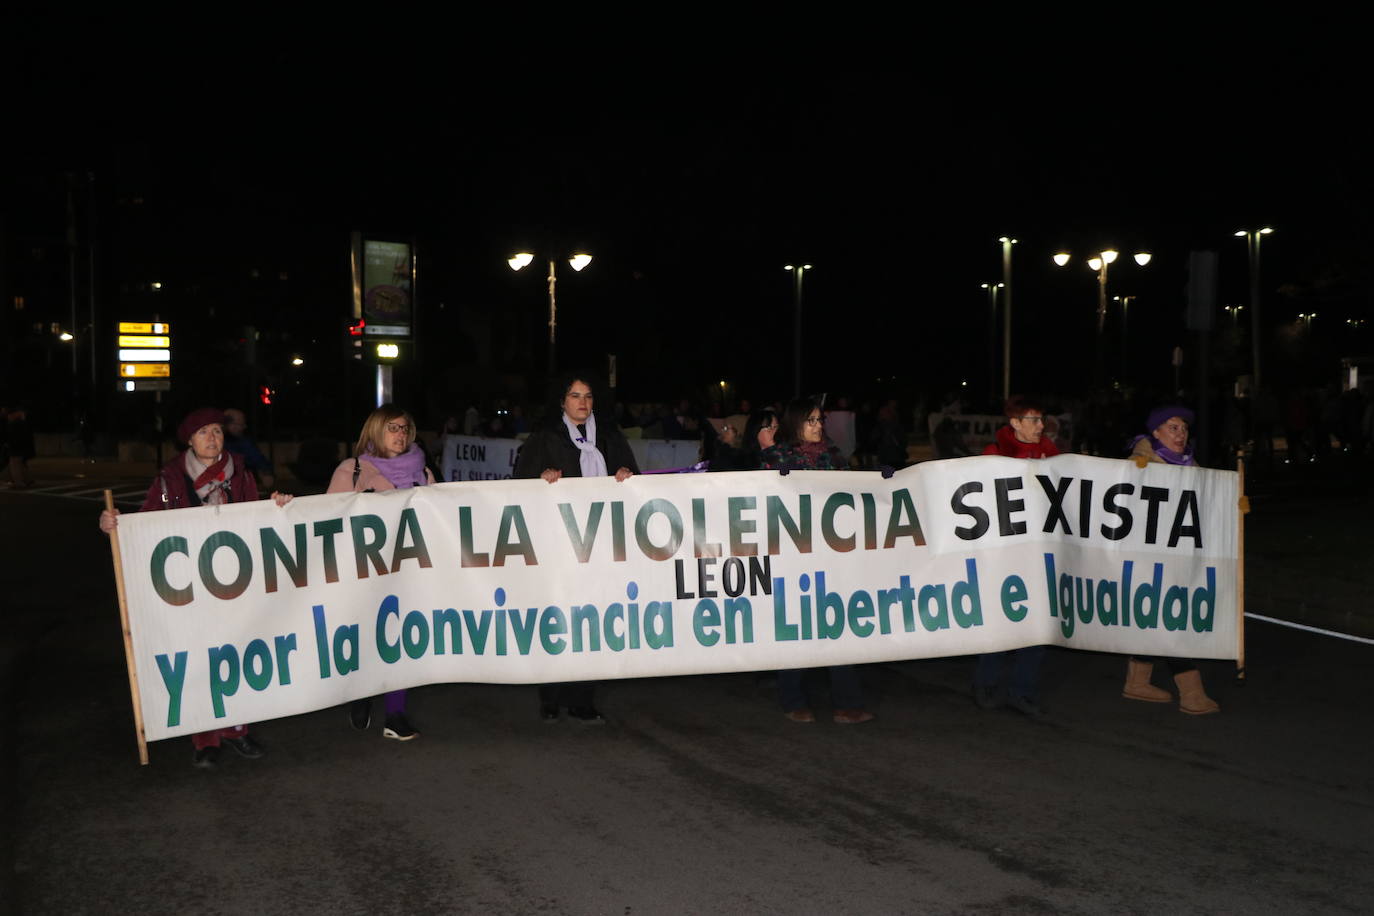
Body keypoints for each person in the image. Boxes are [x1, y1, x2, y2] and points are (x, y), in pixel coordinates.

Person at [99, 408, 293, 768]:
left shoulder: (241, 473)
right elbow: (145, 519)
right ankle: (205, 739)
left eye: (218, 431)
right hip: (190, 585)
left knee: (236, 653)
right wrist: (115, 523)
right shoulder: (170, 478)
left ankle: (237, 729)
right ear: (189, 439)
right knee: (201, 656)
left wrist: (277, 506)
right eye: (203, 432)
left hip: (236, 582)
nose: (212, 438)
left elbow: (259, 516)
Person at [514, 374, 638, 724]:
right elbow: (519, 485)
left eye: (588, 396)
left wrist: (626, 475)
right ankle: (550, 698)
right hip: (558, 544)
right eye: (574, 396)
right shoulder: (545, 438)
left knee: (592, 620)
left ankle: (582, 698)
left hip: (599, 545)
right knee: (558, 616)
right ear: (562, 402)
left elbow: (635, 481)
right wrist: (542, 479)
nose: (582, 402)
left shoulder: (610, 437)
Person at [761, 398, 874, 725]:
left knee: (839, 624)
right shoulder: (779, 457)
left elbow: (853, 493)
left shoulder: (833, 456)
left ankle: (847, 702)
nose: (818, 426)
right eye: (810, 421)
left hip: (832, 556)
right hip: (795, 559)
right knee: (799, 627)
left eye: (819, 420)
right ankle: (791, 698)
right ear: (796, 423)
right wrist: (770, 456)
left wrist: (884, 485)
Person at [326, 405, 434, 740]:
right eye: (392, 428)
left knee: (400, 641)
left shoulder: (423, 471)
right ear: (375, 430)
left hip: (407, 571)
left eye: (404, 429)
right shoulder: (353, 470)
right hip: (365, 574)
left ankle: (395, 714)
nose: (400, 435)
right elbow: (326, 519)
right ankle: (361, 693)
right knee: (367, 637)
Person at [1124, 405, 1220, 714]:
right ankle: (1191, 691)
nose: (1180, 435)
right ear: (1155, 433)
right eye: (1172, 428)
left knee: (1156, 618)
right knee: (1171, 618)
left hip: (1180, 557)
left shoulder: (1190, 465)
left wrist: (1233, 504)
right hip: (1148, 558)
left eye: (1184, 429)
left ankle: (1137, 681)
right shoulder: (1139, 463)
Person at [974, 395, 1058, 718]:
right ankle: (987, 683)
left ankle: (1022, 690)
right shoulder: (994, 455)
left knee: (1037, 624)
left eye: (1042, 419)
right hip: (1006, 552)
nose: (1041, 425)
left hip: (1040, 552)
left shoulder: (1052, 455)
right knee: (1003, 619)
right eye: (1034, 420)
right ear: (1015, 423)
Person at [223, 407, 275, 491]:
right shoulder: (219, 442)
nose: (244, 427)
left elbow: (258, 459)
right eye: (241, 424)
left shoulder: (242, 441)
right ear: (231, 425)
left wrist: (266, 472)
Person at [710, 408, 778, 472]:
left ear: (738, 433)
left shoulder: (749, 460)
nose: (722, 431)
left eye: (726, 429)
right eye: (723, 428)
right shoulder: (723, 455)